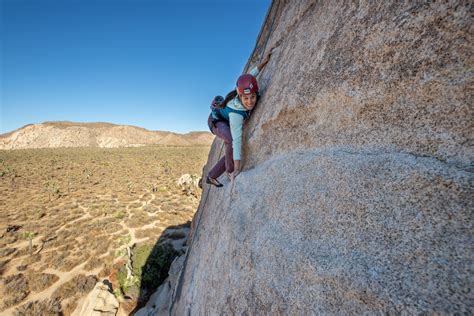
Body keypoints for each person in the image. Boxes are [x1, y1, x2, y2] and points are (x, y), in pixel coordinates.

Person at [206, 52, 272, 187]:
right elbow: (237, 141)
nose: (250, 102)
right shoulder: (237, 115)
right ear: (240, 96)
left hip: (225, 119)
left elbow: (251, 75)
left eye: (252, 97)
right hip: (216, 122)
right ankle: (229, 171)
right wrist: (236, 169)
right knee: (230, 140)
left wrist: (264, 62)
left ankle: (211, 175)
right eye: (246, 99)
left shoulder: (242, 89)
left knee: (230, 152)